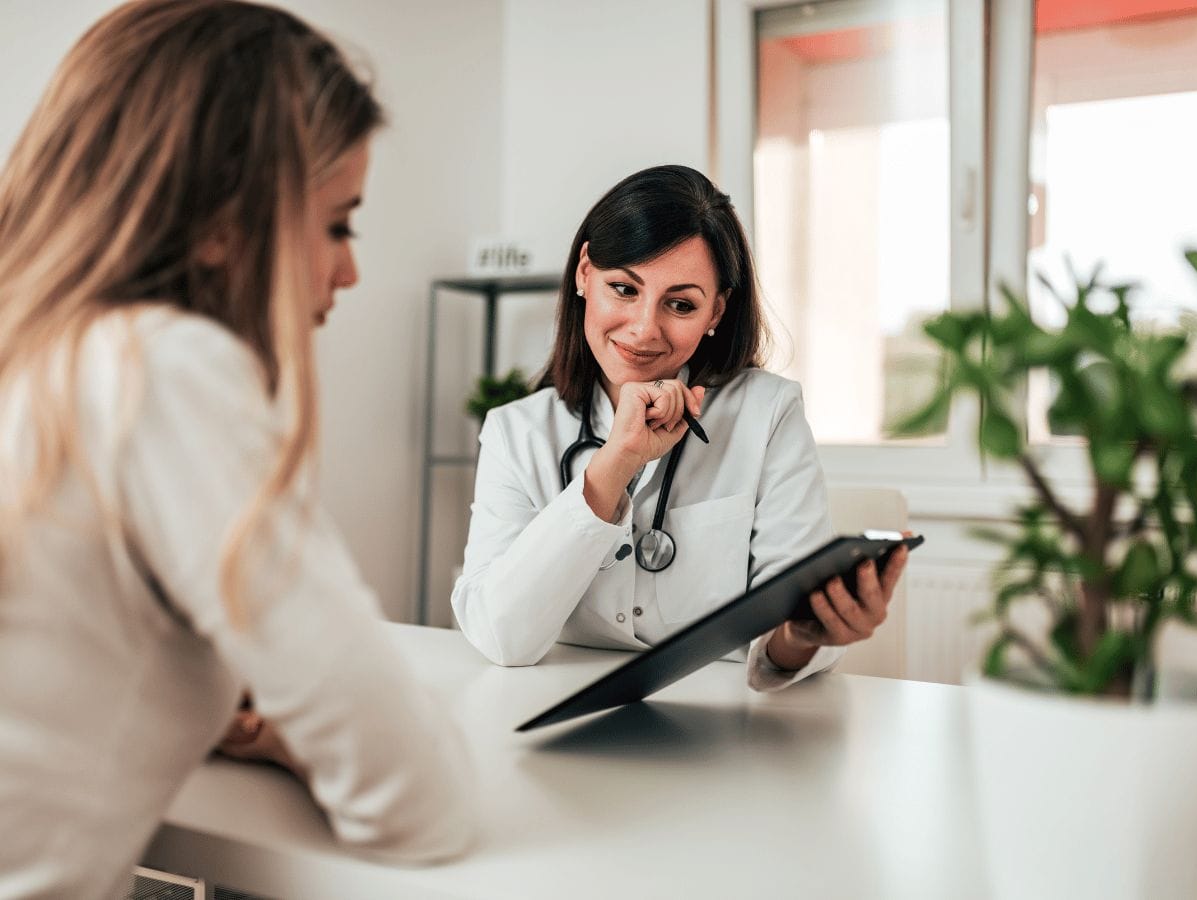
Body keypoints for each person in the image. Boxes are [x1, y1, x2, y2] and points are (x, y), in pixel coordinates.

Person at [0, 2, 473, 896]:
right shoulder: (159, 367)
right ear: (223, 221)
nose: (351, 270)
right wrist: (301, 736)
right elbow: (417, 800)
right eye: (339, 224)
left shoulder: (35, 356)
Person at [451, 164, 908, 689]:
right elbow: (501, 638)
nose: (644, 329)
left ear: (717, 309)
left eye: (681, 304)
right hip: (553, 707)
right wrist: (613, 465)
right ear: (583, 273)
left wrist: (804, 635)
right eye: (623, 288)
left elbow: (782, 627)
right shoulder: (516, 432)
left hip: (728, 723)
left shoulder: (768, 413)